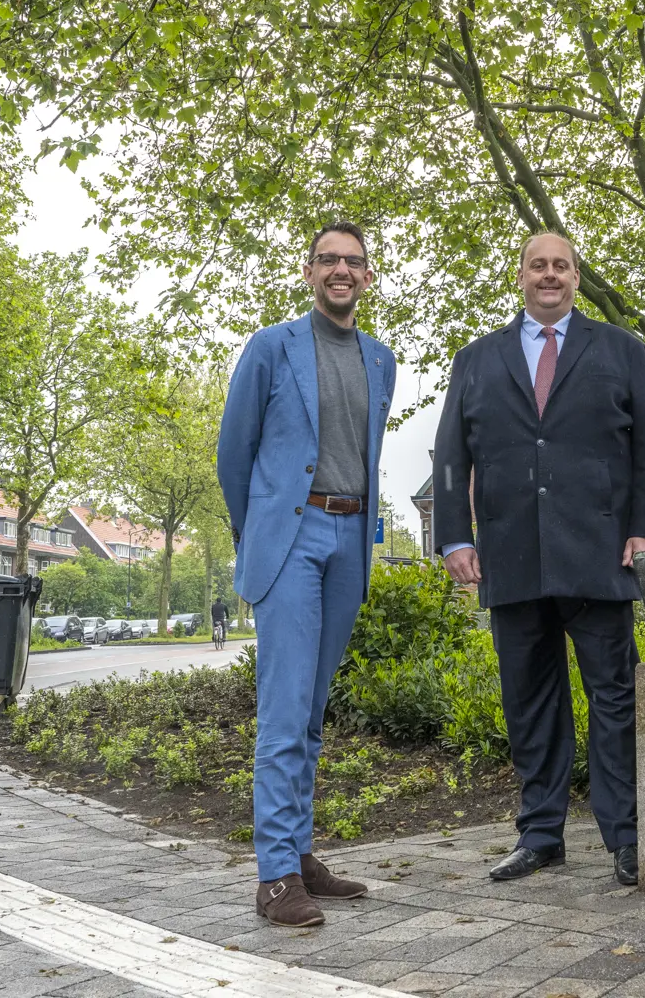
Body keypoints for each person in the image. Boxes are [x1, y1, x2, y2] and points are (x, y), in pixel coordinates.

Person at [433, 232, 645, 889]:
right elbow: (451, 455)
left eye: (560, 266)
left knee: (614, 701)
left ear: (575, 277)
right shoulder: (477, 360)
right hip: (511, 558)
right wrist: (454, 536)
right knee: (529, 703)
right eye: (538, 265)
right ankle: (540, 836)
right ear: (521, 276)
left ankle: (626, 838)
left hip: (600, 557)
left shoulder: (624, 352)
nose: (549, 275)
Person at [217, 221, 395, 927]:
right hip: (292, 533)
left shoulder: (380, 361)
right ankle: (273, 878)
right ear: (308, 271)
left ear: (368, 276)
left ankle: (300, 854)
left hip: (351, 537)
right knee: (285, 713)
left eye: (353, 260)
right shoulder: (270, 348)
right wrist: (258, 530)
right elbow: (236, 454)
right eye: (328, 259)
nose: (340, 270)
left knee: (313, 712)